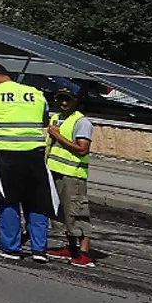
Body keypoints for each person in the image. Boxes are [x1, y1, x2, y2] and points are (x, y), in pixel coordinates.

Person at [0, 61, 55, 262]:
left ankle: (11, 247)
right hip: (35, 155)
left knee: (8, 199)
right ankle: (40, 250)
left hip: (7, 156)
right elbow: (44, 121)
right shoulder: (36, 93)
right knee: (37, 201)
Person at [45, 82, 97, 267]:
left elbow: (82, 149)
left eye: (68, 100)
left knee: (77, 212)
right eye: (61, 99)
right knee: (63, 212)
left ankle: (84, 253)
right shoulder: (57, 118)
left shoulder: (81, 122)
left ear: (76, 101)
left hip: (73, 175)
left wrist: (58, 136)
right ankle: (70, 247)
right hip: (56, 171)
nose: (64, 103)